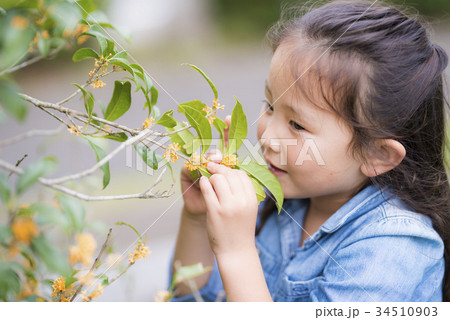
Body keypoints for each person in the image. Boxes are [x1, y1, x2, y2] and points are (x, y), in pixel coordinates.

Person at [169, 0, 450, 301]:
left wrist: (237, 252)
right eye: (270, 105)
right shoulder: (281, 199)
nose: (268, 137)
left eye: (298, 125)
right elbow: (194, 301)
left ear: (377, 155)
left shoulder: (394, 248)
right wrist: (197, 219)